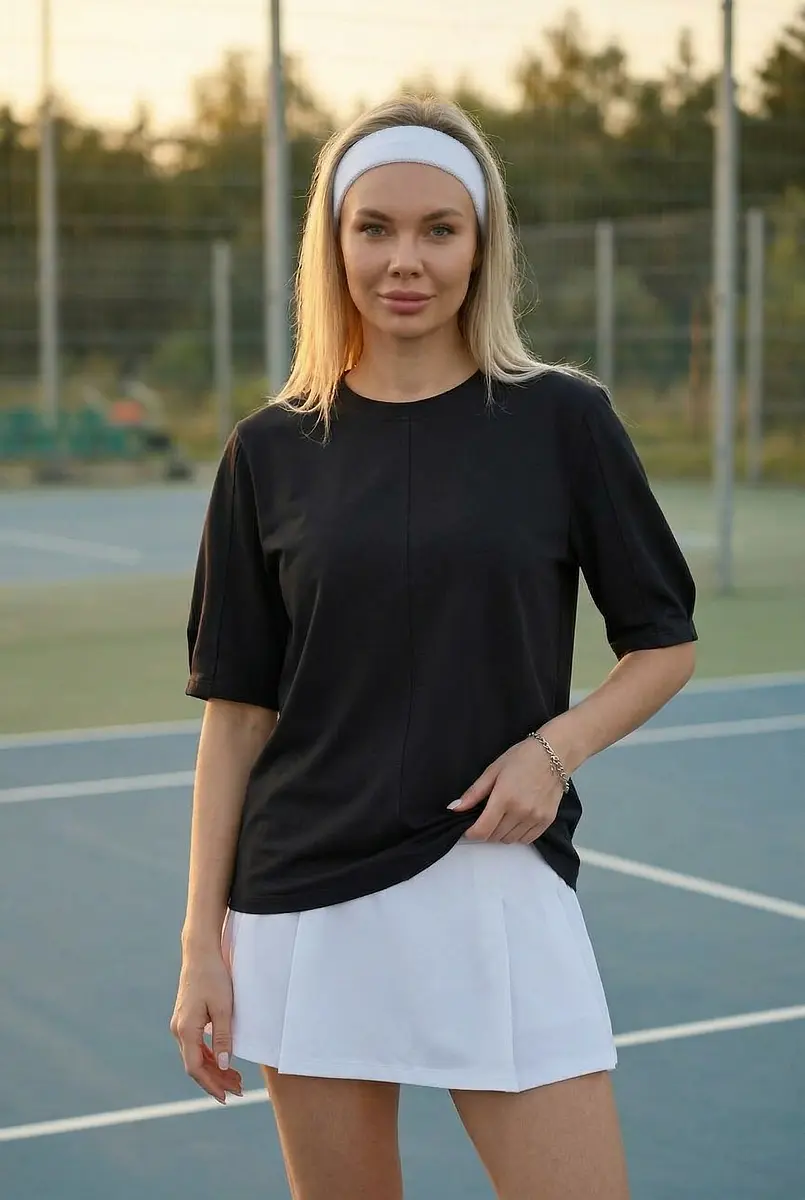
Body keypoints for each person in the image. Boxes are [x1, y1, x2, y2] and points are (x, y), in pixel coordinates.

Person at [169, 94, 697, 1200]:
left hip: (493, 876)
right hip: (303, 901)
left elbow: (662, 644)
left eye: (438, 229)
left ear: (479, 245)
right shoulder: (267, 450)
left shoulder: (563, 420)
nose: (404, 259)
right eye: (374, 227)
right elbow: (238, 716)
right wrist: (199, 948)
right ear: (334, 245)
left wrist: (552, 751)